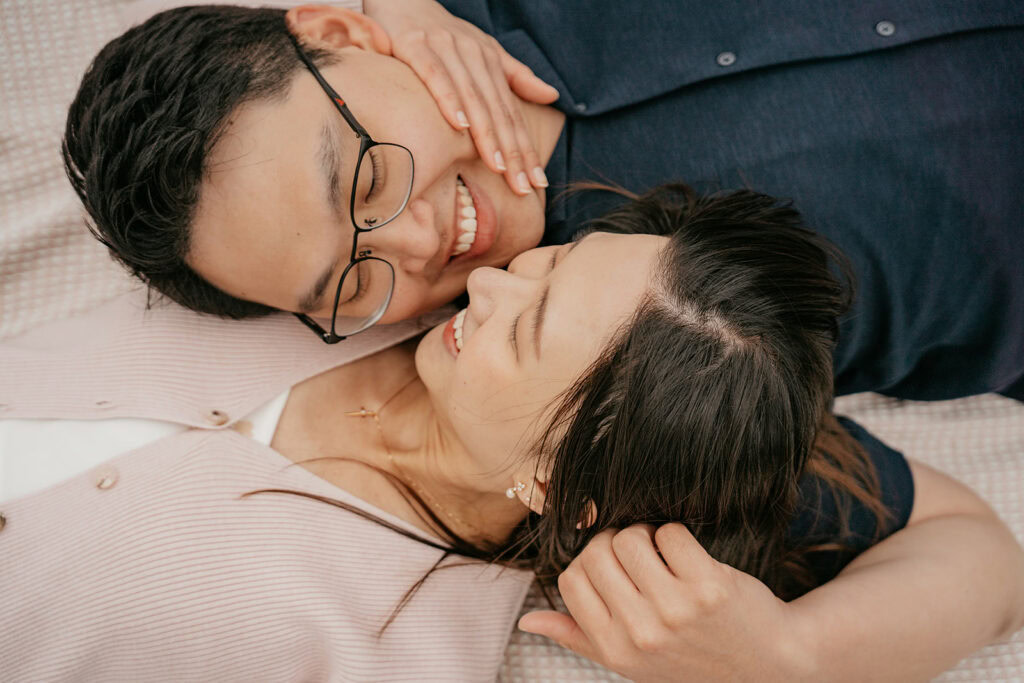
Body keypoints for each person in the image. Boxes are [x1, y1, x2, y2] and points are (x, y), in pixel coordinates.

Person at [3, 184, 1021, 680]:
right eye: (552, 262)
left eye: (528, 325)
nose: (491, 277)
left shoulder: (389, 651)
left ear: (555, 479)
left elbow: (985, 555)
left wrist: (787, 655)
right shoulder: (388, 273)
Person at [62, 1, 1024, 404]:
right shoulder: (596, 369)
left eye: (362, 176)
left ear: (339, 30)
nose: (414, 238)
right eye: (353, 281)